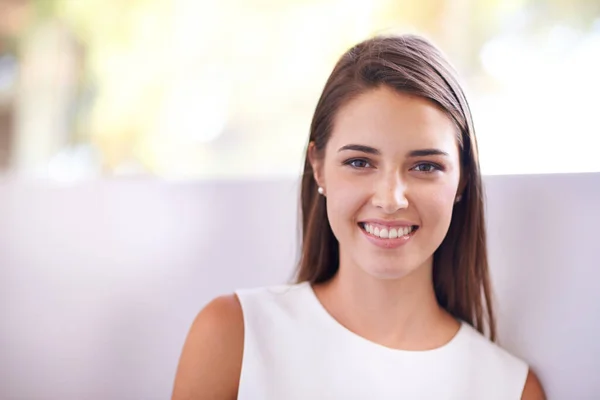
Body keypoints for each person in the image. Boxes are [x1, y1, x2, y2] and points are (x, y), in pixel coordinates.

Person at [171, 34, 546, 399]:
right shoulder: (234, 335)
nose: (391, 199)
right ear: (318, 167)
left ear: (462, 177)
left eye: (426, 166)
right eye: (359, 162)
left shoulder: (509, 389)